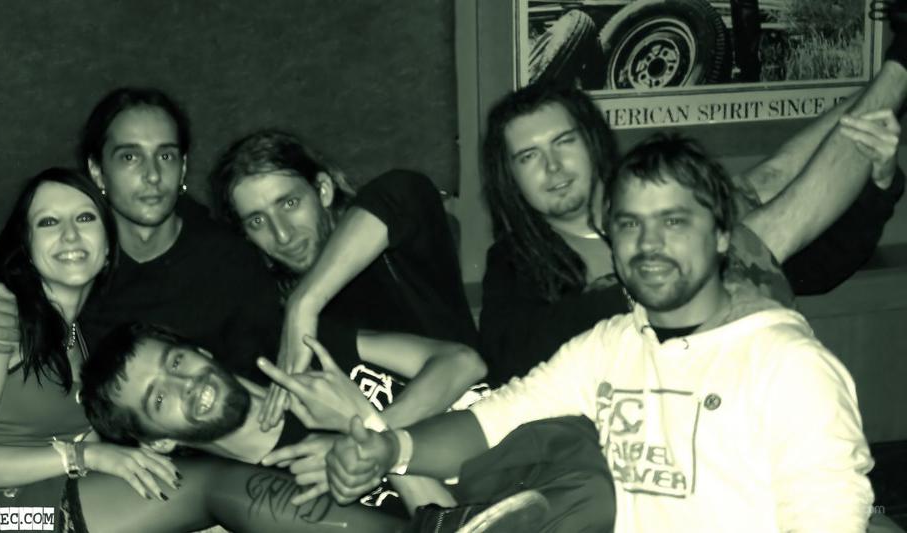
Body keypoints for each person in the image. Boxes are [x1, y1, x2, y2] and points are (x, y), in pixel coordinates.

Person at [325, 135, 875, 532]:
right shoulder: (612, 345)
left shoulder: (788, 366)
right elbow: (498, 418)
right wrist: (391, 448)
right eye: (630, 224)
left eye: (674, 221)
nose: (649, 243)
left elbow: (828, 518)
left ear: (723, 235)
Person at [0, 167, 406, 533]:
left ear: (107, 245)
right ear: (25, 246)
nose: (70, 235)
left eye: (85, 217)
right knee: (212, 485)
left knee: (212, 492)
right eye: (48, 222)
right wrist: (86, 457)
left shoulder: (80, 340)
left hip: (42, 501)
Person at [478, 66, 907, 384]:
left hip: (748, 395)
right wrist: (649, 284)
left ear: (591, 140)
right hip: (644, 432)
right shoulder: (515, 261)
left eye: (564, 142)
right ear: (509, 175)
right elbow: (512, 359)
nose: (553, 166)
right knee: (754, 221)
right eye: (528, 157)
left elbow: (821, 268)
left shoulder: (665, 200)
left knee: (765, 183)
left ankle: (898, 65)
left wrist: (879, 181)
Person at [0, 87, 280, 379]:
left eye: (166, 156)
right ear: (97, 171)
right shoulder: (70, 255)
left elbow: (266, 380)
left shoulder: (230, 261)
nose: (153, 175)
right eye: (130, 157)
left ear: (183, 168)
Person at [208, 130, 479, 428]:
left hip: (482, 417)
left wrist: (303, 304)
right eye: (257, 221)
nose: (282, 234)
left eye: (289, 204)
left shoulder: (390, 245)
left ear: (323, 190)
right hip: (390, 448)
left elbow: (401, 191)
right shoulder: (270, 317)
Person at [78, 321, 486, 517]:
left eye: (176, 361)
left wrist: (367, 425)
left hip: (515, 421)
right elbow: (459, 523)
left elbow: (464, 363)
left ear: (202, 351)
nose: (186, 383)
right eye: (159, 398)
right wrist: (366, 432)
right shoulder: (275, 498)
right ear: (159, 442)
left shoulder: (307, 355)